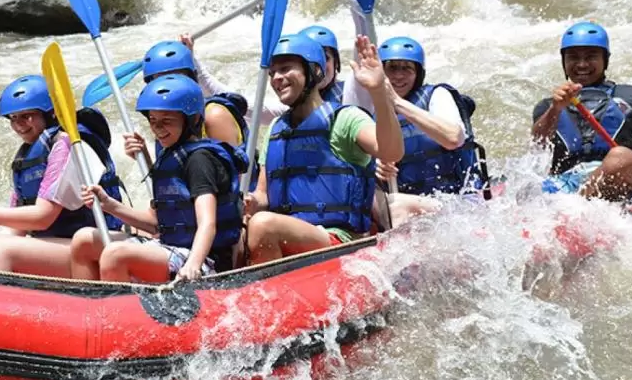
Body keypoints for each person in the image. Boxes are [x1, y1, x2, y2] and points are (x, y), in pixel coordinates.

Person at [244, 34, 404, 264]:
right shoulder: (276, 129)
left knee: (263, 225)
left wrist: (378, 92)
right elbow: (263, 194)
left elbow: (391, 152)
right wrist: (250, 202)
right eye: (272, 73)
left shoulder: (346, 118)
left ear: (314, 72)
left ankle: (263, 293)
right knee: (239, 230)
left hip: (341, 241)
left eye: (286, 69)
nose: (277, 78)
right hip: (291, 236)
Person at [70, 74, 247, 282]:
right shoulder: (170, 156)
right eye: (153, 121)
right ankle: (91, 307)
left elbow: (207, 223)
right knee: (84, 239)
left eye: (166, 121)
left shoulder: (200, 160)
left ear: (194, 120)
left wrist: (193, 265)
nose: (157, 129)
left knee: (115, 254)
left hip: (206, 260)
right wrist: (108, 204)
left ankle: (118, 312)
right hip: (170, 248)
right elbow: (155, 225)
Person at [0, 75, 124, 273]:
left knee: (0, 250)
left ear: (49, 114)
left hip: (92, 245)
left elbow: (42, 218)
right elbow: (17, 231)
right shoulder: (29, 156)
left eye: (27, 115)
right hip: (59, 244)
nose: (19, 124)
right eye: (13, 118)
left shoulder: (66, 145)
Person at [532, 21, 632, 201]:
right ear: (564, 61)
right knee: (525, 186)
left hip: (621, 180)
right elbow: (537, 146)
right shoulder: (548, 106)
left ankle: (578, 207)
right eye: (573, 57)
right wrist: (555, 109)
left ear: (605, 59)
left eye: (591, 57)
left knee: (622, 158)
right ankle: (577, 206)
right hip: (566, 183)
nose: (582, 64)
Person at [376, 35, 488, 197]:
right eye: (392, 68)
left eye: (407, 68)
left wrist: (397, 102)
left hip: (459, 198)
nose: (398, 75)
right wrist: (374, 165)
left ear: (418, 73)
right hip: (409, 201)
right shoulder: (373, 108)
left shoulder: (437, 95)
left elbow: (453, 138)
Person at [180, 24, 348, 127]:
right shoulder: (287, 113)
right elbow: (235, 101)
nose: (320, 66)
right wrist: (191, 58)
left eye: (325, 58)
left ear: (336, 62)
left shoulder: (352, 95)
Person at [141, 40, 247, 150]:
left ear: (193, 78)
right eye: (161, 82)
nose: (169, 87)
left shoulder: (214, 117)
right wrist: (143, 155)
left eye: (176, 78)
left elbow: (232, 166)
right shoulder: (161, 119)